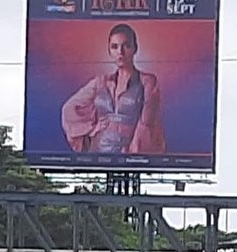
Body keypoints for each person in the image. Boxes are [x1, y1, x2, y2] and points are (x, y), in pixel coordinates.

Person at [61, 23, 166, 155]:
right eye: (114, 47)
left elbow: (146, 124)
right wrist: (91, 129)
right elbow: (69, 108)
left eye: (126, 46)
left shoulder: (147, 81)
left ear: (135, 48)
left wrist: (131, 156)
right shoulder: (100, 82)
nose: (120, 52)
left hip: (131, 153)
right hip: (99, 154)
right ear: (109, 51)